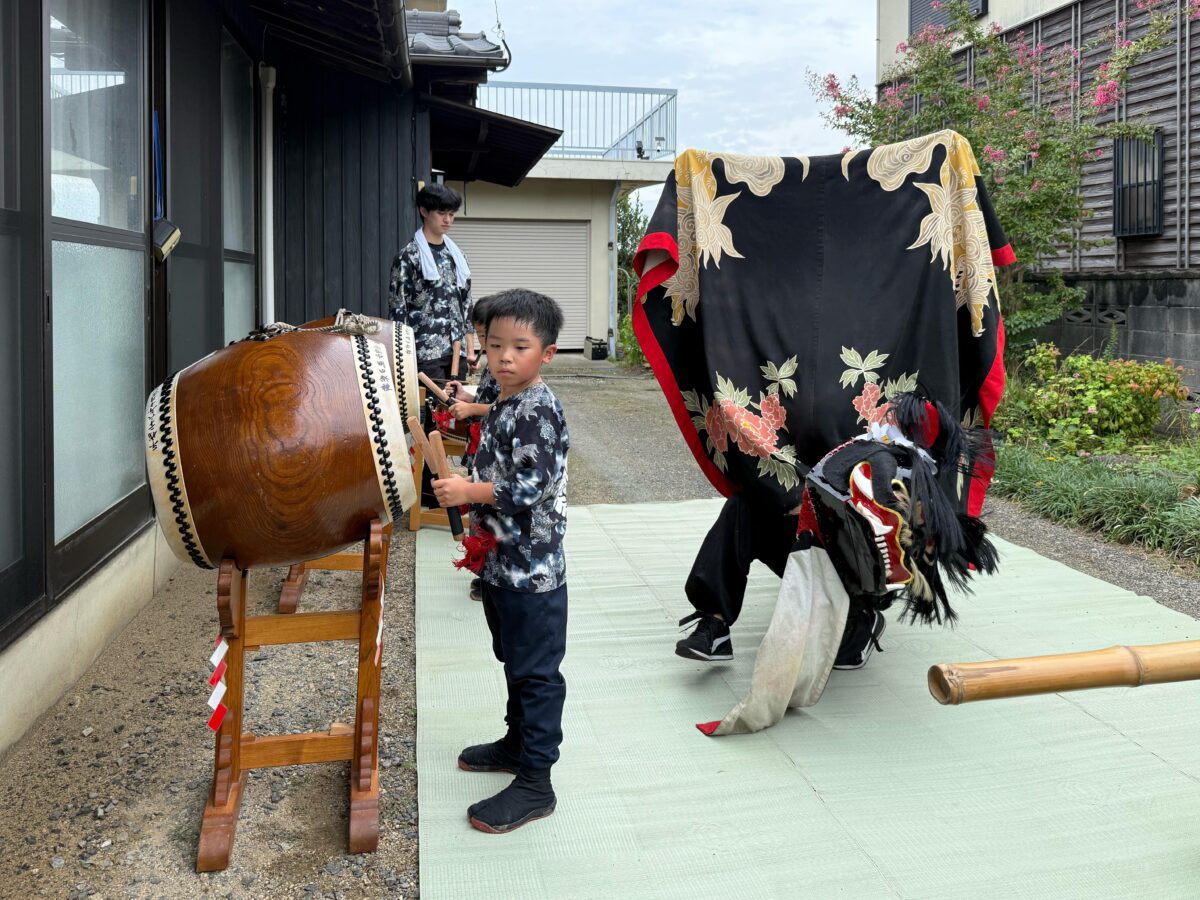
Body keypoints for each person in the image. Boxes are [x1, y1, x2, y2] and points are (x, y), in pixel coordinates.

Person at [431, 288, 570, 834]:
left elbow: (530, 486)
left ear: (548, 353)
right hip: (501, 563)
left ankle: (537, 782)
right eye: (495, 346)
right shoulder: (507, 402)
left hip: (532, 572)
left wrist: (467, 490)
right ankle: (516, 745)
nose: (505, 357)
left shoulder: (538, 409)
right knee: (513, 660)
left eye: (521, 346)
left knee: (536, 673)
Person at [675, 493, 887, 669]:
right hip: (800, 510)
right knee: (743, 504)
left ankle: (859, 615)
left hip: (859, 524)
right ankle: (715, 620)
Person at [445, 294, 501, 603]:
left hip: (493, 446)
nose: (481, 341)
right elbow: (485, 400)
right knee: (480, 512)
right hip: (480, 443)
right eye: (479, 335)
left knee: (490, 509)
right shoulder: (489, 362)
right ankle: (483, 569)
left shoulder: (504, 364)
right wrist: (467, 399)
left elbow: (502, 407)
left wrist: (473, 410)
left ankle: (490, 573)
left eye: (485, 334)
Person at [388, 182, 473, 383]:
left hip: (455, 351)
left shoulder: (457, 256)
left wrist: (470, 348)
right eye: (442, 213)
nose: (447, 219)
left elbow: (466, 304)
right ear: (424, 211)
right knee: (430, 412)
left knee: (457, 410)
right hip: (424, 352)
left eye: (452, 214)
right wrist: (402, 356)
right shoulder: (409, 256)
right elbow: (398, 308)